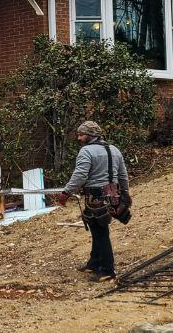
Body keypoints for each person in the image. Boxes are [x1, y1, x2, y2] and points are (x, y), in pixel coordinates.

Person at [56, 120, 130, 281]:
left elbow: (80, 175)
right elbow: (123, 175)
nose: (78, 138)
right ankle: (94, 263)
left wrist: (66, 193)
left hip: (96, 196)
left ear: (90, 135)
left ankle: (107, 269)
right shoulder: (114, 149)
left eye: (81, 135)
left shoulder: (86, 151)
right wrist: (125, 192)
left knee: (100, 232)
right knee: (98, 227)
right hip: (113, 193)